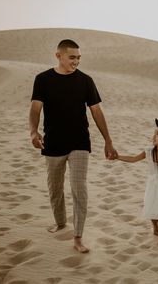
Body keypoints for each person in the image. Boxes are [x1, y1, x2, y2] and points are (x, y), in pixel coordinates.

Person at [29, 39, 118, 253]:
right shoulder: (43, 79)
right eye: (72, 57)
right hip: (52, 142)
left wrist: (108, 140)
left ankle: (78, 236)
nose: (76, 61)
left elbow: (96, 111)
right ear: (58, 56)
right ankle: (60, 223)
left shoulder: (86, 81)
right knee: (55, 189)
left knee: (79, 189)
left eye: (78, 57)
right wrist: (33, 131)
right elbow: (35, 108)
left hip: (79, 142)